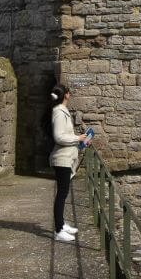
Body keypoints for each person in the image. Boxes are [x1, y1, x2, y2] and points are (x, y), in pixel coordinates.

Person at [48, 84, 90, 242]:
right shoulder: (59, 112)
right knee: (61, 194)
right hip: (62, 158)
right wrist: (77, 138)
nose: (70, 94)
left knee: (63, 193)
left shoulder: (62, 111)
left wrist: (82, 141)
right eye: (69, 92)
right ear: (66, 95)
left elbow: (65, 135)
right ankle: (58, 230)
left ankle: (62, 224)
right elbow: (59, 137)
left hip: (66, 157)